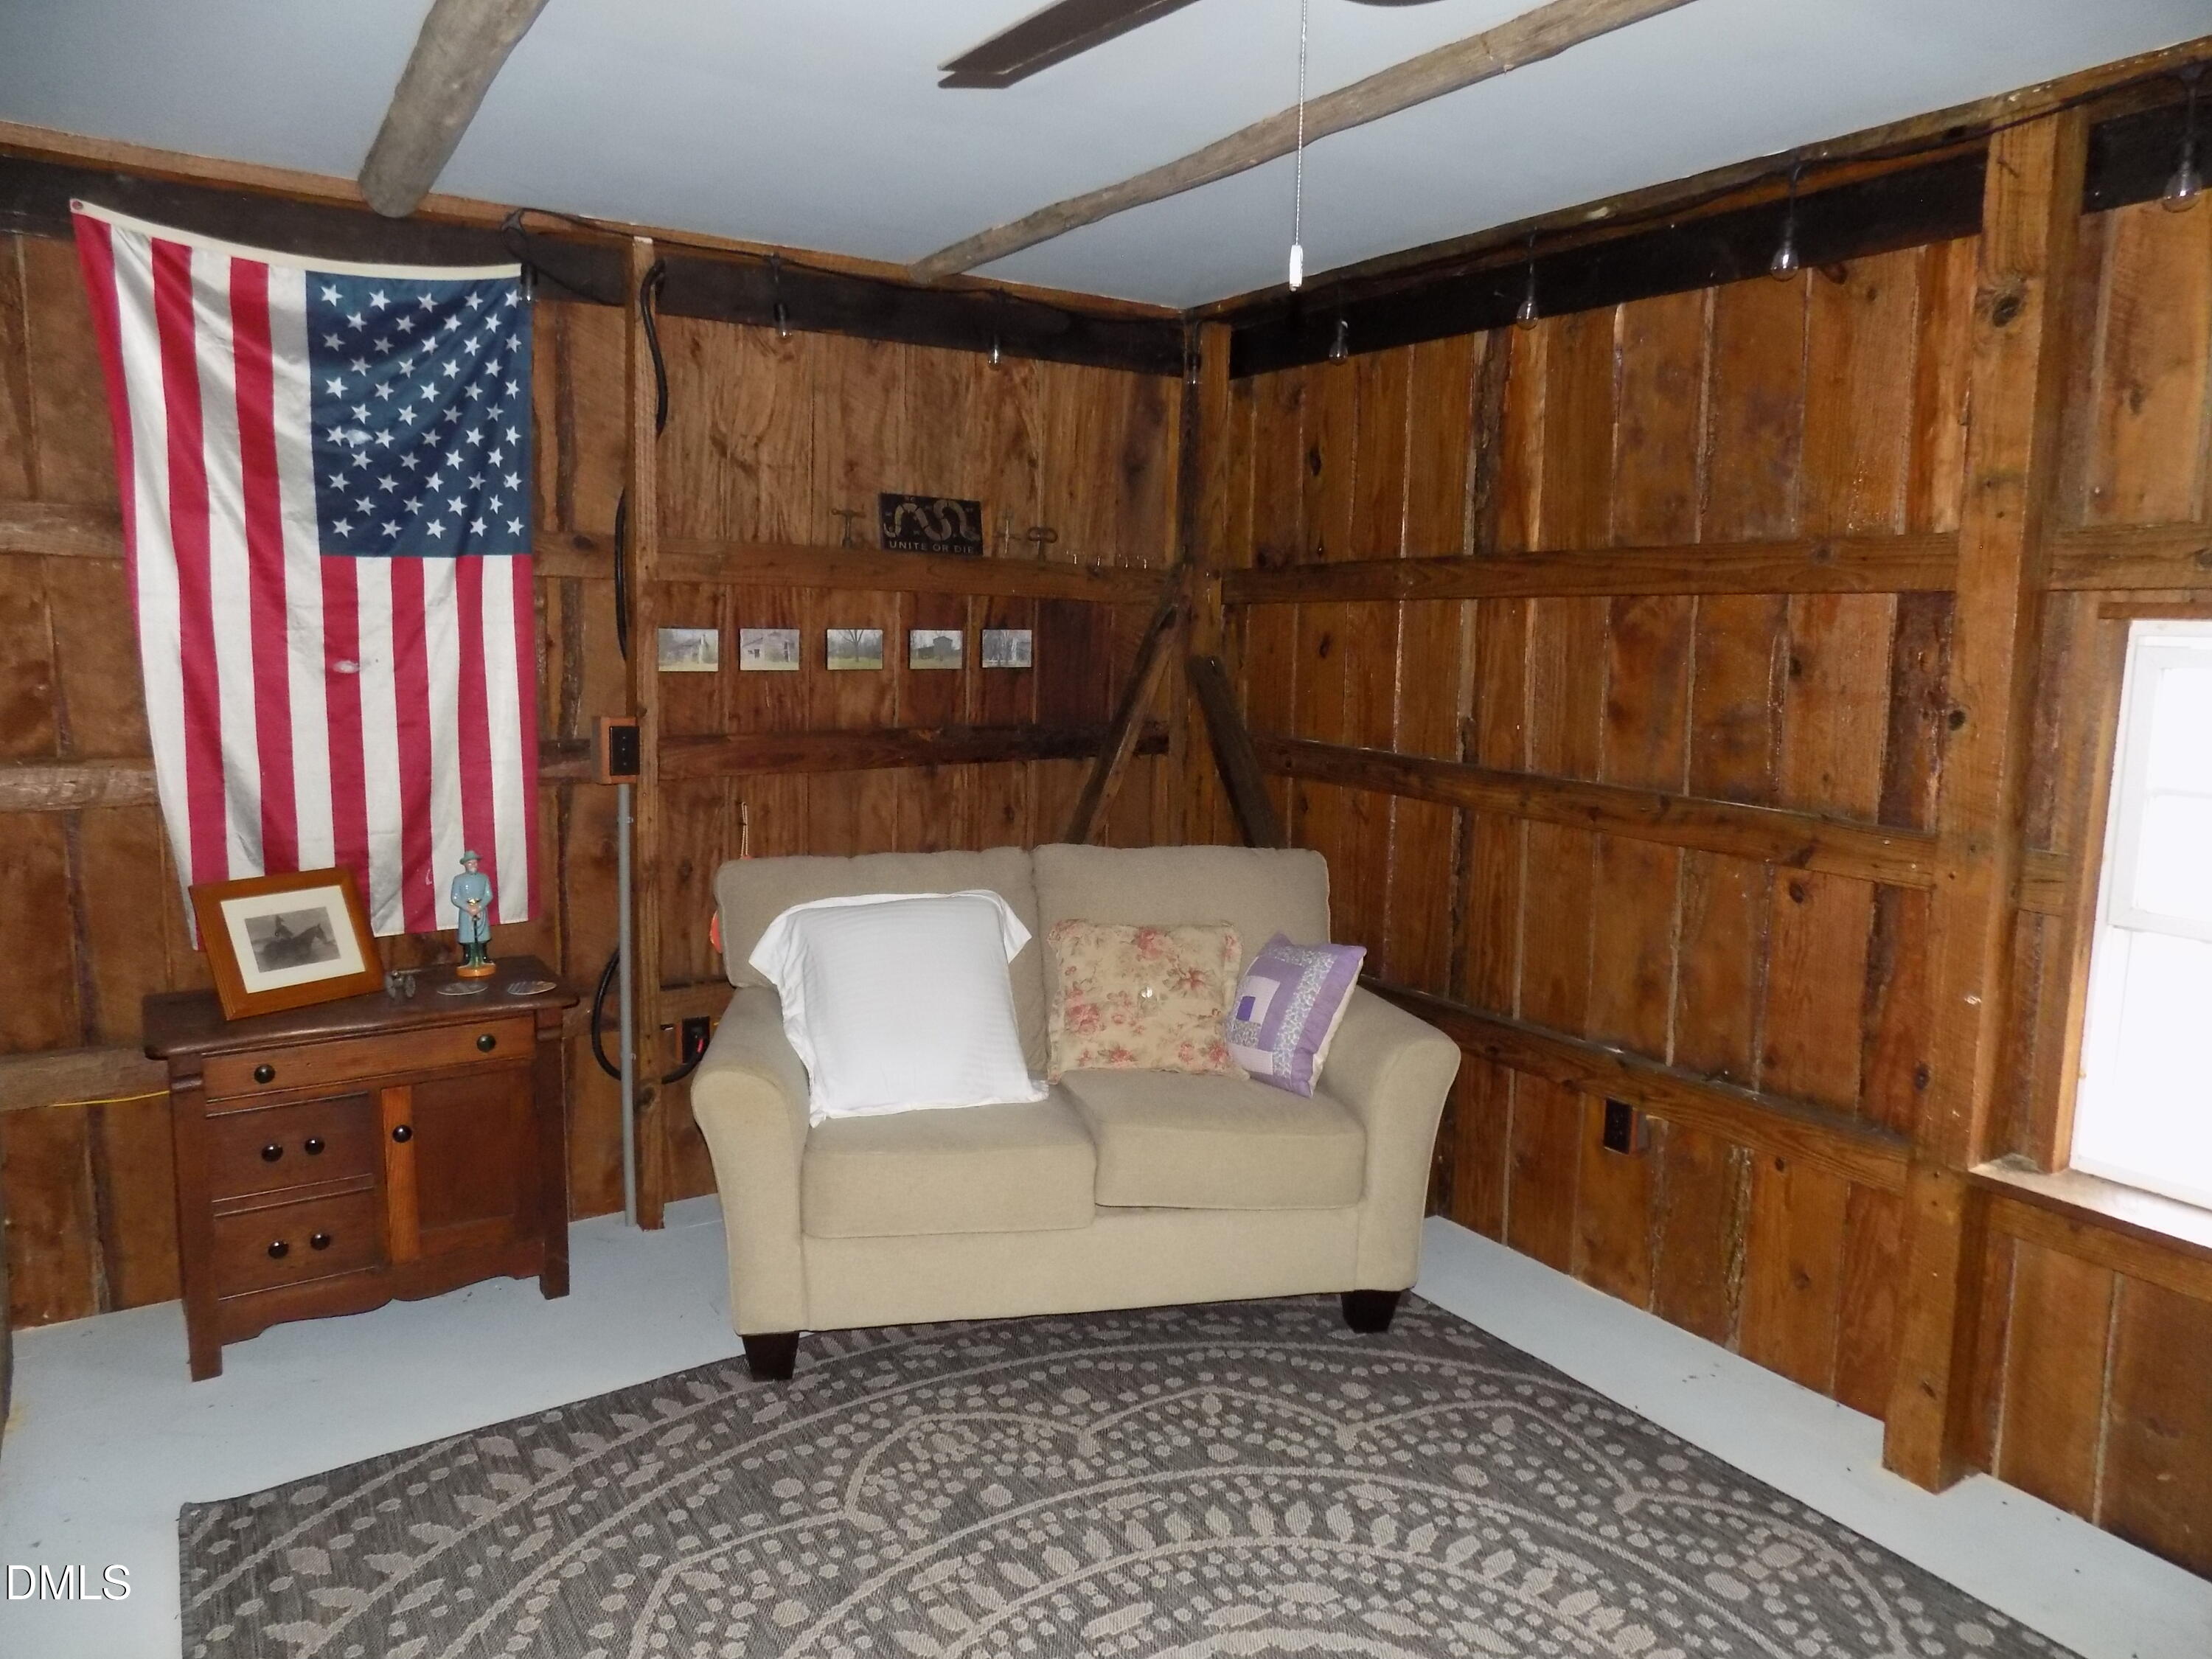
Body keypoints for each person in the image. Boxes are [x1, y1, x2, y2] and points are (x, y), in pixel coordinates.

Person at [451, 850, 495, 975]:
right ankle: (467, 957)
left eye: (475, 862)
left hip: (480, 909)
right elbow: (455, 897)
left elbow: (489, 895)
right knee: (467, 934)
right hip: (467, 911)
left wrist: (479, 906)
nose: (473, 865)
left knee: (482, 933)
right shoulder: (459, 879)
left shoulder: (484, 878)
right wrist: (468, 908)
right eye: (470, 863)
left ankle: (484, 956)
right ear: (465, 864)